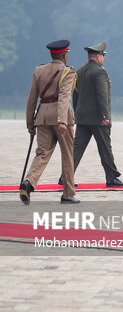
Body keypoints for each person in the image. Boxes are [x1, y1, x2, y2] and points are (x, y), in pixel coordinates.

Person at [20, 40, 80, 204]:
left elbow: (32, 99)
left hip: (43, 117)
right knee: (67, 155)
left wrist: (29, 123)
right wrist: (61, 121)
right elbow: (63, 98)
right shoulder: (68, 72)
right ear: (64, 55)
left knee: (42, 153)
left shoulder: (39, 70)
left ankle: (29, 182)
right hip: (61, 119)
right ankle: (68, 193)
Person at [59, 42, 123, 187]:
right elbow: (102, 96)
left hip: (83, 118)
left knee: (76, 149)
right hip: (98, 119)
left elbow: (74, 95)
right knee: (105, 148)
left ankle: (65, 176)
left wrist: (77, 112)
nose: (103, 58)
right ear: (98, 56)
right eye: (102, 55)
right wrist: (105, 117)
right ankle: (112, 178)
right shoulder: (99, 72)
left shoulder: (80, 71)